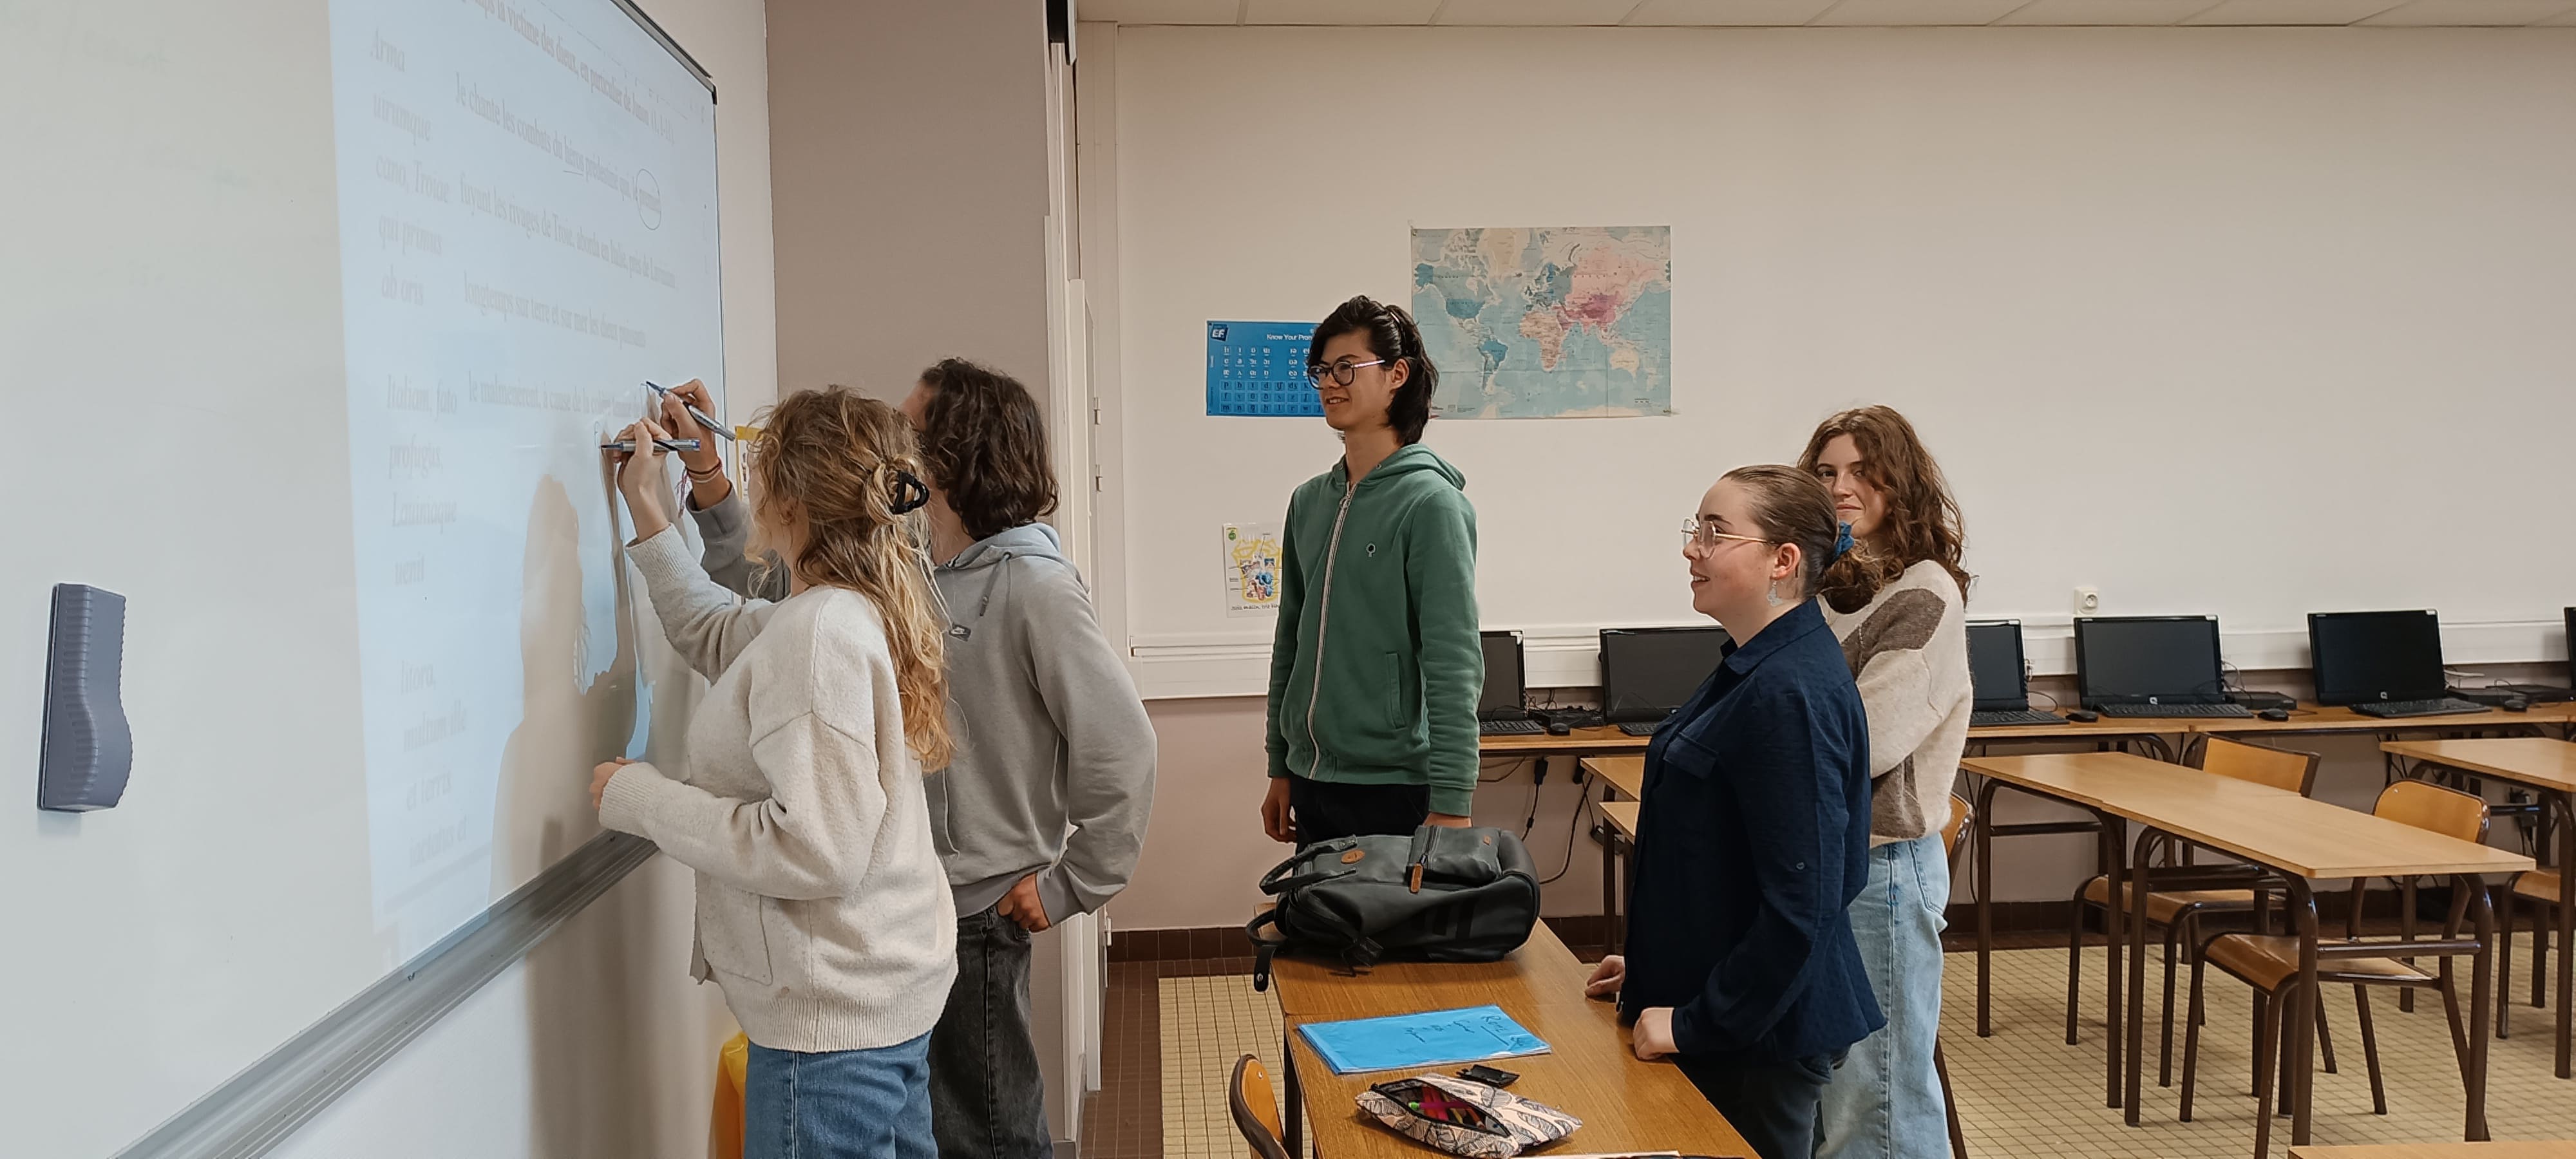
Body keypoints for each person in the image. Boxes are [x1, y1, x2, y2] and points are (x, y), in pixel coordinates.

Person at [656, 368, 1158, 1159]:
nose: (890, 442)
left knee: (990, 1140)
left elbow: (1123, 745)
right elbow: (773, 596)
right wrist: (710, 478)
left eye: (908, 428)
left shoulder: (1035, 588)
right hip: (907, 913)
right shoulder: (904, 569)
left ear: (954, 455)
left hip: (978, 916)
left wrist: (1073, 883)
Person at [590, 390, 955, 1159]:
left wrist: (643, 800)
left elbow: (813, 851)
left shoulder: (820, 634)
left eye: (756, 465)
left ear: (788, 499)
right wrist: (649, 511)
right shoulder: (843, 610)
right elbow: (716, 631)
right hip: (874, 1006)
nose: (747, 480)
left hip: (831, 1042)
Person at [1579, 465, 1882, 1159]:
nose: (1693, 548)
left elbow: (1805, 903)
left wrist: (1699, 1020)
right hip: (1736, 1013)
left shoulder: (1788, 693)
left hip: (1759, 1041)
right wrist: (1662, 967)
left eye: (1715, 533)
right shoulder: (1756, 665)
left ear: (1783, 561)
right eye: (1697, 529)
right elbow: (1728, 862)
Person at [1799, 406, 1973, 1159]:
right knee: (1833, 1093)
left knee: (1877, 1102)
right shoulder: (1832, 588)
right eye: (1825, 472)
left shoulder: (1922, 592)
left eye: (1861, 472)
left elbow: (1861, 740)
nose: (1841, 488)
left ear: (1899, 483)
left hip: (1881, 868)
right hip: (1828, 856)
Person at [1260, 295, 1481, 847]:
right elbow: (1290, 640)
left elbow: (1454, 661)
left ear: (1396, 375)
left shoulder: (1431, 503)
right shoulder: (1308, 502)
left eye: (1347, 367)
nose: (1329, 383)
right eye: (1322, 370)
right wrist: (1280, 763)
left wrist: (1453, 801)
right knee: (1313, 907)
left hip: (1395, 785)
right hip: (1310, 777)